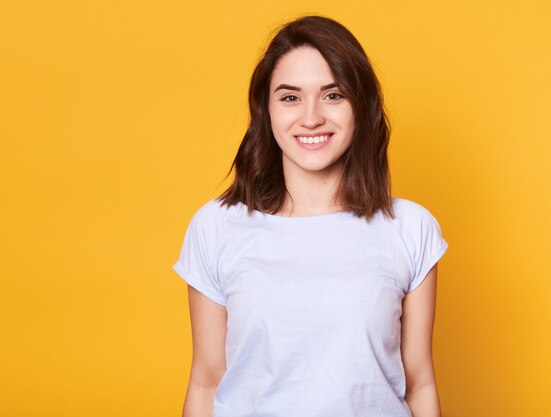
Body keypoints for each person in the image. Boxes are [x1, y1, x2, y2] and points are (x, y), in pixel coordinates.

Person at [173, 15, 449, 417]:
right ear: (265, 111)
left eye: (333, 95)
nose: (311, 117)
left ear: (361, 105)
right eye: (290, 97)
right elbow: (206, 380)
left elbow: (419, 381)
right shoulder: (215, 228)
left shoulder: (411, 229)